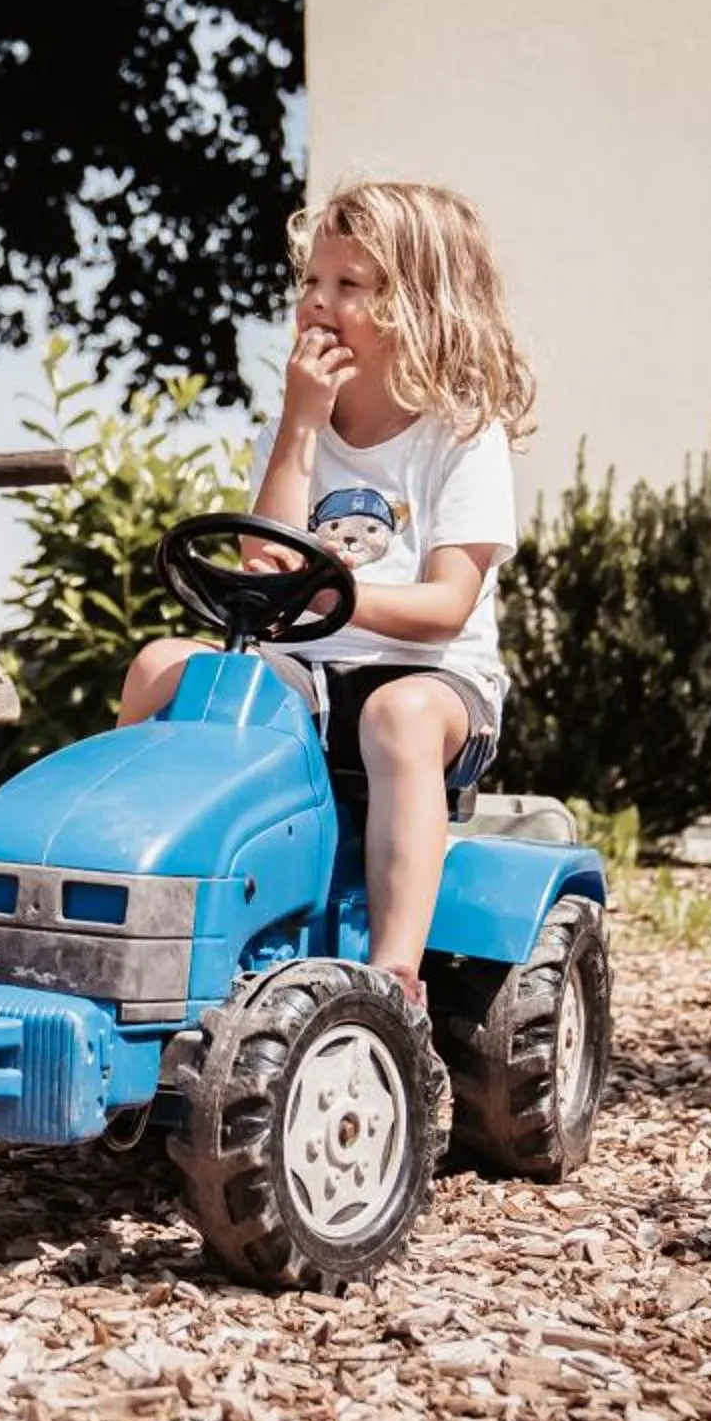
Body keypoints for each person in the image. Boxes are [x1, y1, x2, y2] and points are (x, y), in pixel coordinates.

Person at [117, 179, 536, 1014]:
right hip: (305, 674)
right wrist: (301, 425)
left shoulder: (460, 435)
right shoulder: (292, 427)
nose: (317, 300)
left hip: (435, 684)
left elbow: (445, 609)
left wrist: (332, 596)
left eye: (349, 285)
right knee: (162, 664)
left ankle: (394, 977)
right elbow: (264, 563)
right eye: (311, 280)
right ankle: (134, 887)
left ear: (419, 305)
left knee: (397, 717)